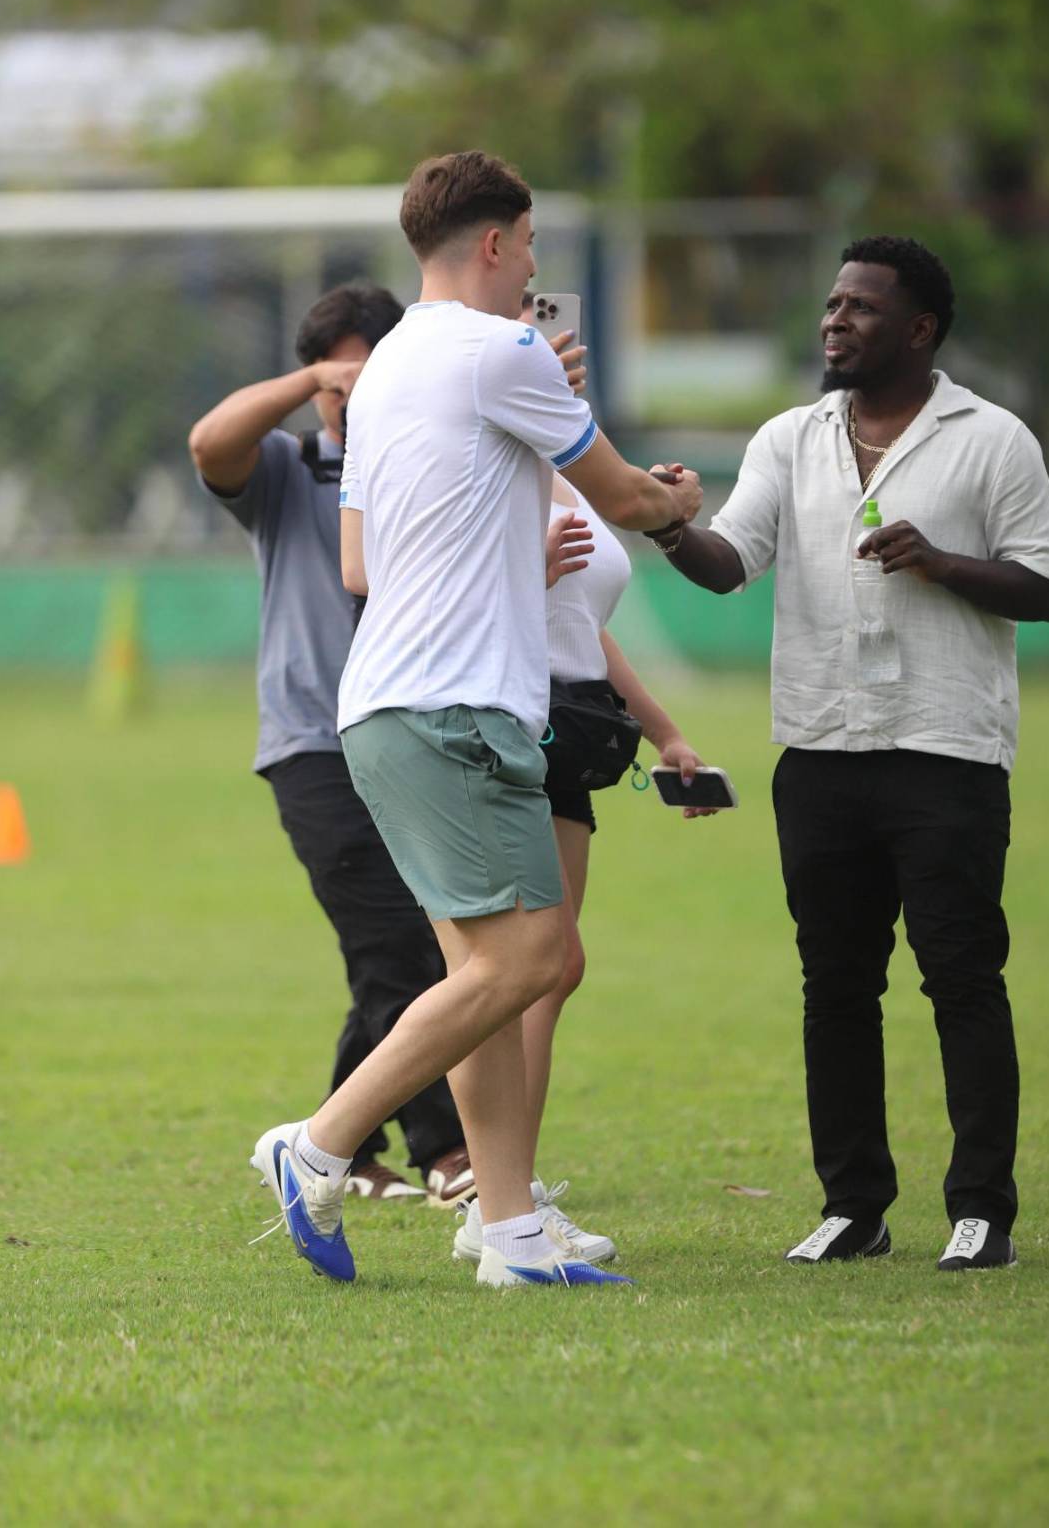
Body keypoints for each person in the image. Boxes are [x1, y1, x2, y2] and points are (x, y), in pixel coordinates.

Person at [250, 149, 702, 1288]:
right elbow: (630, 501)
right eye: (533, 246)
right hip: (457, 707)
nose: (534, 267)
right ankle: (315, 1147)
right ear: (495, 243)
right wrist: (680, 500)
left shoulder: (388, 364)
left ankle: (508, 1234)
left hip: (386, 705)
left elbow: (358, 563)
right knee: (534, 957)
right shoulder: (503, 353)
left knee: (488, 977)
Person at [651, 235, 1049, 1272]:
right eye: (833, 304)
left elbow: (1048, 589)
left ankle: (982, 1210)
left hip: (945, 750)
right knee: (834, 984)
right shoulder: (790, 439)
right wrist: (668, 527)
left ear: (920, 330)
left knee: (962, 980)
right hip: (821, 749)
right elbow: (727, 564)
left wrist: (941, 563)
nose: (835, 321)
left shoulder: (993, 439)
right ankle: (854, 1207)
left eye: (862, 309)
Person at [451, 293, 723, 1271]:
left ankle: (505, 1194)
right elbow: (421, 587)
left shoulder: (571, 471)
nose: (551, 348)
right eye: (528, 331)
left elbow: (587, 627)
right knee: (519, 966)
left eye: (556, 333)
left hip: (575, 724)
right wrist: (521, 560)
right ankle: (491, 1200)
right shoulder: (484, 464)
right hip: (507, 715)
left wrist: (667, 732)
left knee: (552, 969)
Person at [188, 282, 474, 1208]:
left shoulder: (427, 470)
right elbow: (208, 443)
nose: (350, 400)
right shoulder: (286, 469)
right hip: (315, 746)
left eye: (367, 375)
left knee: (424, 952)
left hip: (421, 731)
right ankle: (438, 1149)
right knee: (397, 949)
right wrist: (315, 376)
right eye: (335, 381)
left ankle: (339, 1143)